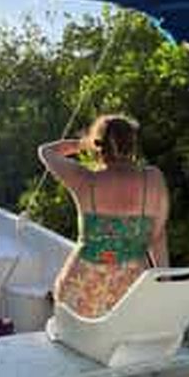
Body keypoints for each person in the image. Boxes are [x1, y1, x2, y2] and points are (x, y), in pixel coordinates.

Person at [38, 114, 169, 317]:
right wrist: (163, 282)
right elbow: (157, 237)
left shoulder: (83, 178)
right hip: (130, 293)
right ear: (133, 145)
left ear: (99, 146)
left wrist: (83, 144)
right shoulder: (153, 179)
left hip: (81, 291)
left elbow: (45, 152)